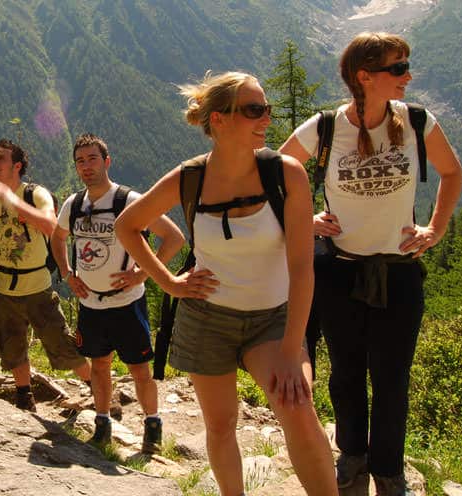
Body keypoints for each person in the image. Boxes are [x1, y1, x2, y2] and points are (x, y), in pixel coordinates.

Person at [115, 71, 337, 496]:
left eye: (267, 108)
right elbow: (129, 226)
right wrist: (170, 282)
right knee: (220, 426)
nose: (266, 119)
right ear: (219, 120)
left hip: (271, 320)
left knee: (299, 408)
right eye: (254, 110)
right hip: (206, 320)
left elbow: (302, 267)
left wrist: (293, 349)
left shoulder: (285, 174)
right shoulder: (190, 178)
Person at [279, 32, 462, 495]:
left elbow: (452, 171)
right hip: (340, 269)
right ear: (365, 76)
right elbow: (276, 172)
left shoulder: (417, 121)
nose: (408, 76)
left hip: (398, 271)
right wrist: (306, 216)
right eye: (398, 69)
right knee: (345, 371)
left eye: (406, 66)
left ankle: (388, 469)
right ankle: (353, 455)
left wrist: (435, 230)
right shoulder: (324, 128)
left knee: (392, 376)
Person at [52, 133, 185, 453]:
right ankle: (102, 425)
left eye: (92, 159)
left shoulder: (128, 201)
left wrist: (141, 273)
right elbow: (57, 238)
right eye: (80, 161)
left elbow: (174, 237)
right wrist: (68, 274)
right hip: (90, 303)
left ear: (107, 161)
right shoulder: (74, 204)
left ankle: (152, 425)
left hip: (127, 303)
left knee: (140, 370)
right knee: (99, 366)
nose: (86, 166)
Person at [0, 138, 91, 412]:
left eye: (0, 158)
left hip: (37, 286)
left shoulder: (35, 195)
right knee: (12, 347)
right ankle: (24, 397)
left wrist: (12, 200)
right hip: (4, 288)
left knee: (61, 343)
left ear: (17, 166)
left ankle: (98, 389)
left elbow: (51, 225)